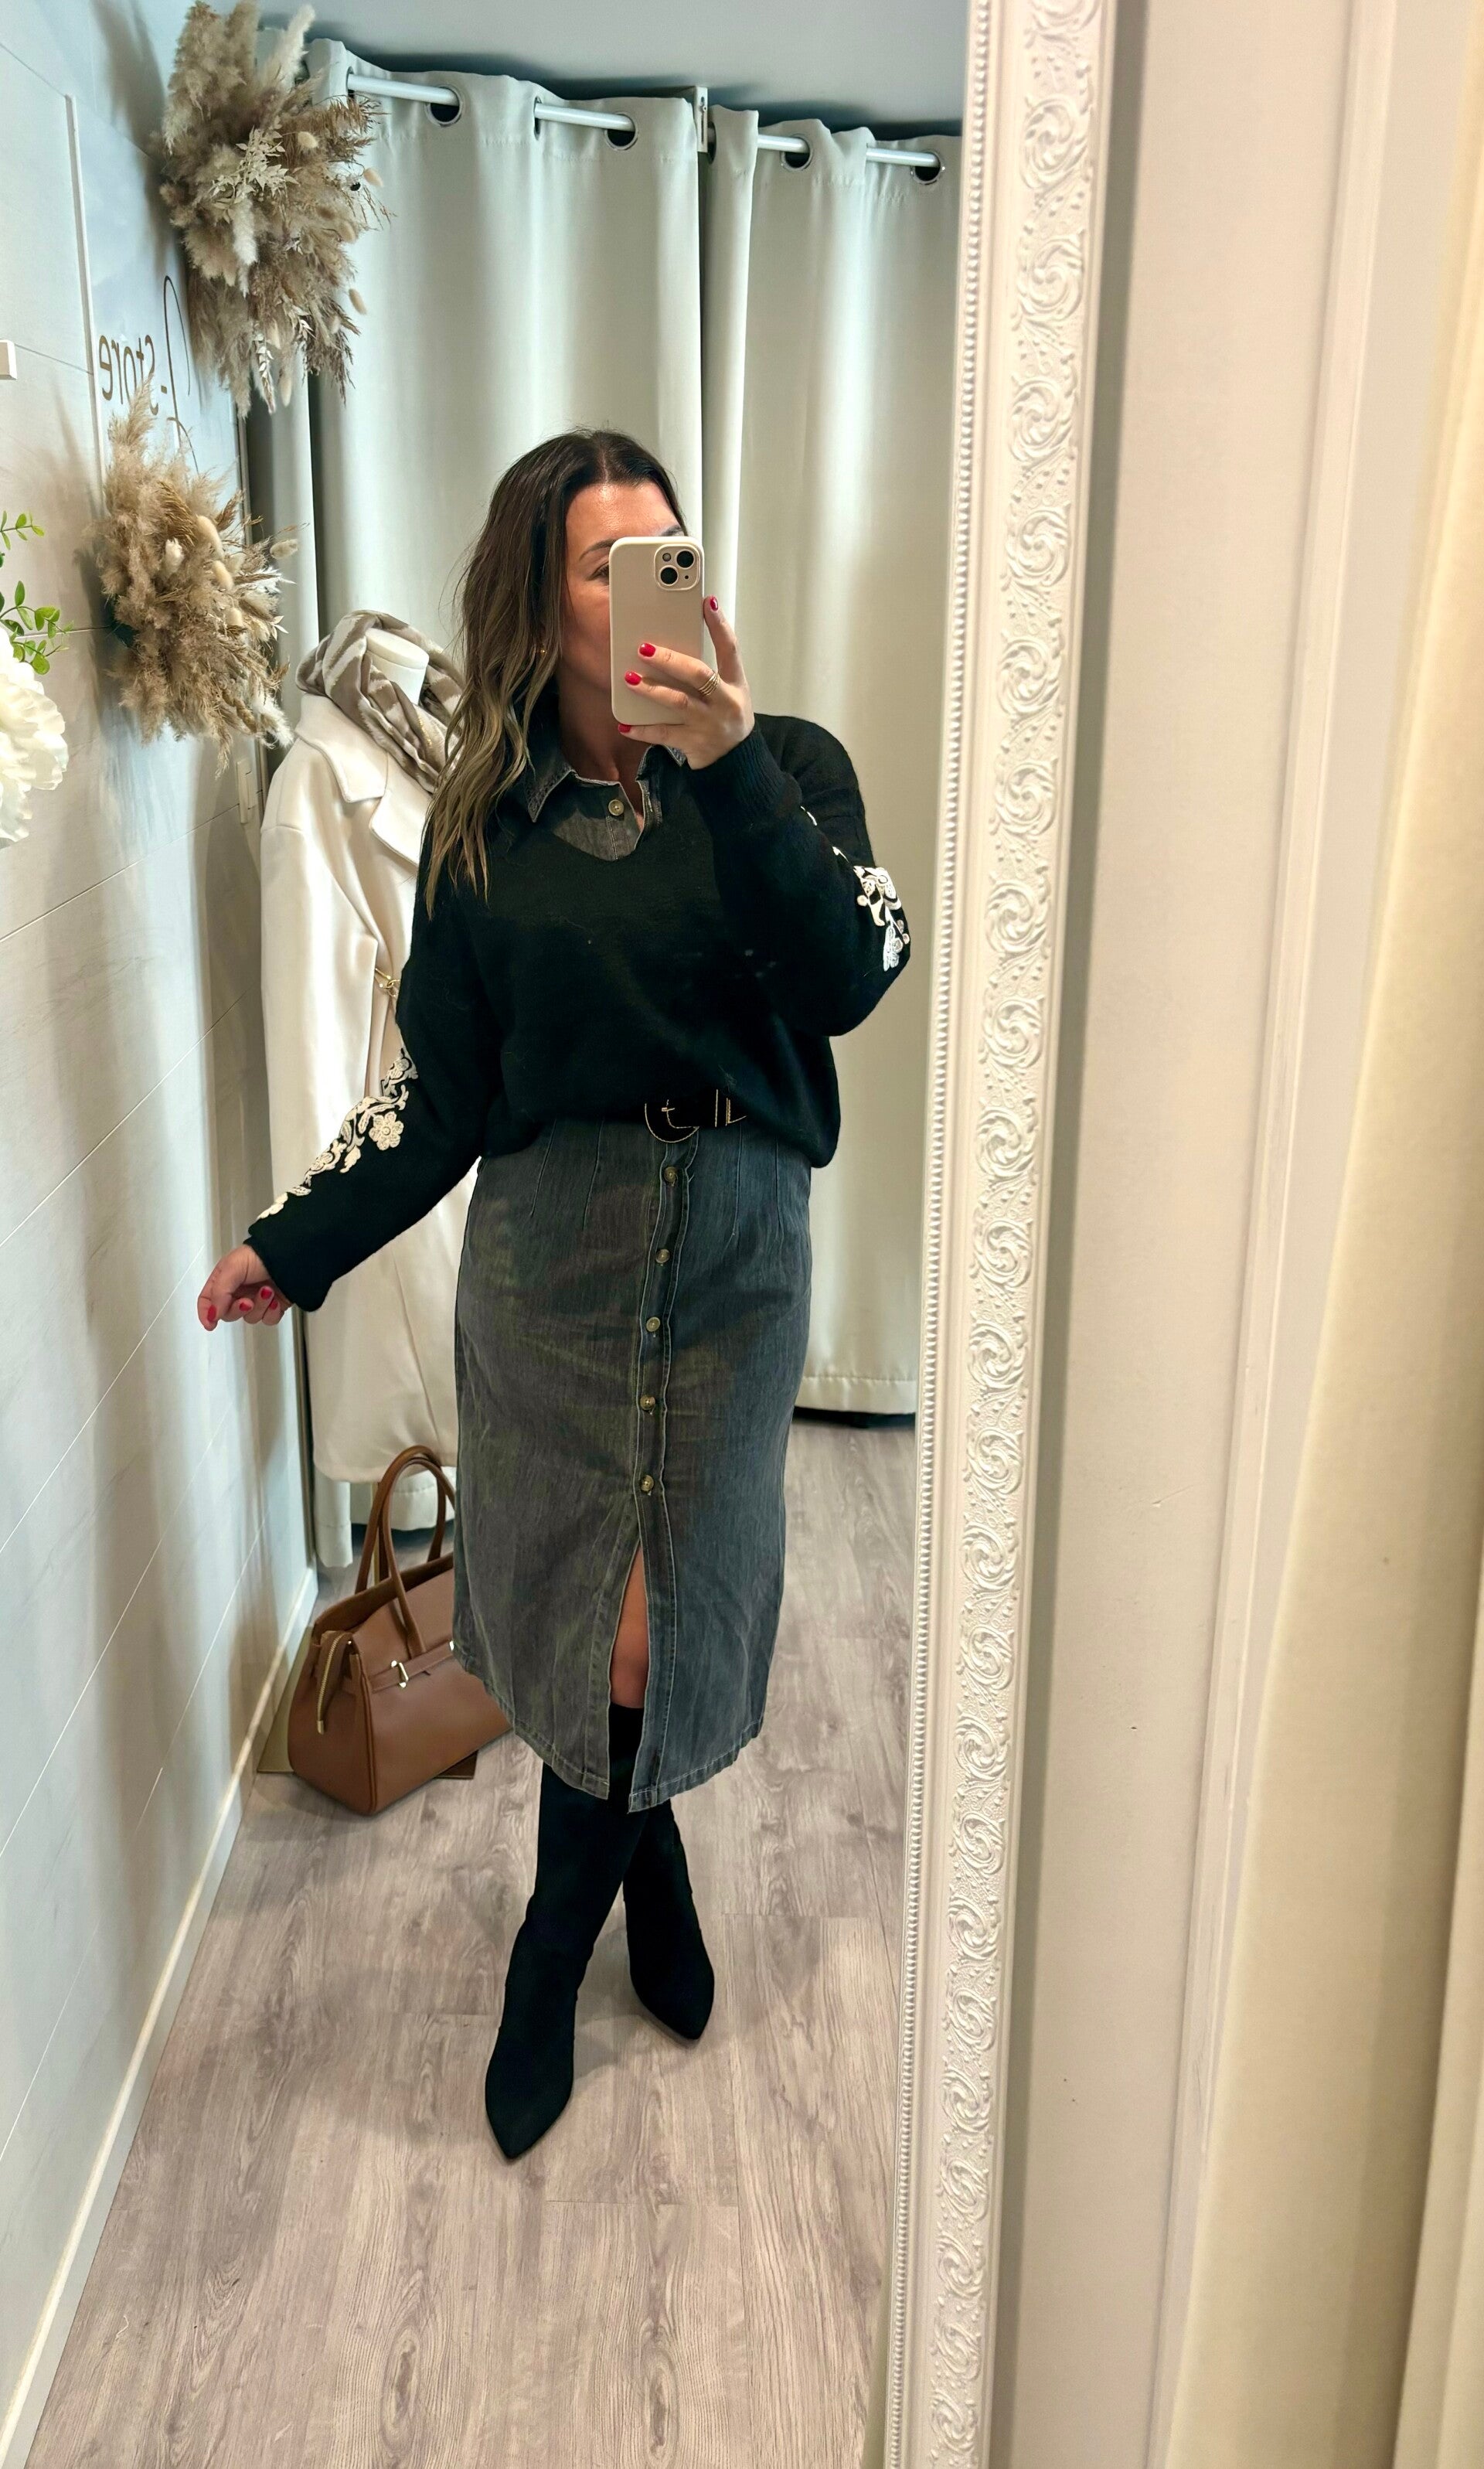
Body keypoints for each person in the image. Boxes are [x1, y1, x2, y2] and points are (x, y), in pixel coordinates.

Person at [199, 428, 912, 2159]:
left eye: (669, 550)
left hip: (735, 1261)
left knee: (670, 1616)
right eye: (609, 563)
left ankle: (556, 1931)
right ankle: (624, 1891)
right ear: (544, 602)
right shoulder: (485, 827)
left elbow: (854, 969)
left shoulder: (791, 769)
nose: (655, 585)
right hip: (553, 1269)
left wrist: (727, 769)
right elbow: (438, 1091)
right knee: (593, 1622)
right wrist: (296, 1238)